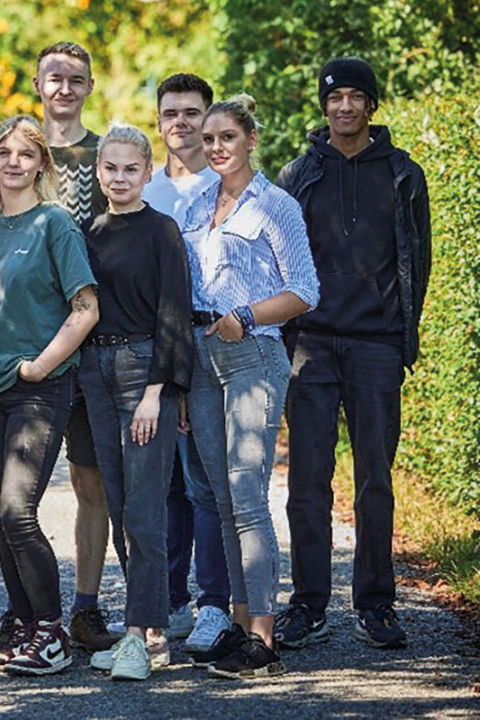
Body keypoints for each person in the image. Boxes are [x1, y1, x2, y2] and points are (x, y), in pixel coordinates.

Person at [275, 57, 430, 651]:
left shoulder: (402, 174)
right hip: (310, 344)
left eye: (355, 96)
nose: (345, 106)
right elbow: (279, 258)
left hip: (376, 346)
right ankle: (308, 604)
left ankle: (376, 604)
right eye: (335, 96)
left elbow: (418, 261)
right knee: (308, 483)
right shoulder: (299, 174)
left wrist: (402, 336)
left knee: (375, 481)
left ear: (371, 104)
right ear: (324, 105)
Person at [181, 95, 319, 679]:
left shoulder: (275, 205)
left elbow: (305, 290)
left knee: (246, 497)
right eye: (209, 138)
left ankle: (264, 639)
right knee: (219, 498)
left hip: (253, 355)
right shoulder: (194, 205)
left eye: (228, 137)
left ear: (250, 139)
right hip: (200, 358)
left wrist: (247, 314)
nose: (216, 147)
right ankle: (239, 628)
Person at [0, 116, 98, 676]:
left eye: (25, 153)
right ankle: (23, 627)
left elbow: (86, 308)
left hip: (38, 388)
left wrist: (40, 366)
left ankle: (51, 632)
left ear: (42, 162)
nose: (14, 162)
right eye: (4, 153)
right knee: (1, 517)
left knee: (17, 511)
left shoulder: (55, 223)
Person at [80, 124, 194, 680]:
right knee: (122, 504)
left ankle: (139, 635)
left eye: (131, 168)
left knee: (146, 509)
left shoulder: (161, 231)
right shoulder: (89, 231)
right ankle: (148, 631)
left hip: (142, 371)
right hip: (95, 371)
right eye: (111, 168)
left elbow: (174, 312)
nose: (120, 177)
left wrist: (157, 392)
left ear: (148, 172)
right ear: (99, 172)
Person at [134, 73, 233, 655]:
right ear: (159, 120)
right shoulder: (146, 189)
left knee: (204, 483)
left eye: (192, 112)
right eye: (171, 112)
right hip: (152, 348)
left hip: (208, 344)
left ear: (207, 118)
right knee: (164, 484)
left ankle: (214, 602)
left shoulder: (224, 185)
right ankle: (170, 600)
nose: (181, 122)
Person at [24, 39, 114, 654]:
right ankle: (26, 609)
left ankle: (85, 606)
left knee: (92, 482)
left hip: (93, 343)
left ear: (88, 87)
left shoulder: (106, 157)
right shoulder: (17, 152)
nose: (64, 87)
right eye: (54, 77)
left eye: (75, 78)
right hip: (27, 342)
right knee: (19, 489)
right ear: (38, 84)